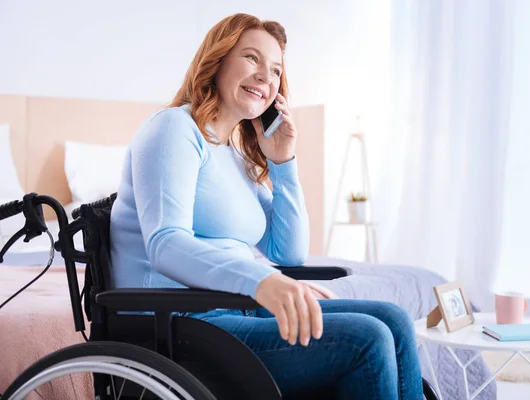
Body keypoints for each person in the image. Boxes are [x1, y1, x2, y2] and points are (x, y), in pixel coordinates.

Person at [109, 13, 423, 399]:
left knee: (394, 320)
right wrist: (262, 280)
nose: (265, 77)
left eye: (275, 70)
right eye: (252, 58)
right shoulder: (174, 129)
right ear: (218, 59)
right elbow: (165, 243)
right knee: (367, 339)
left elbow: (287, 251)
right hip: (179, 325)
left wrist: (283, 162)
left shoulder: (233, 156)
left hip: (232, 311)